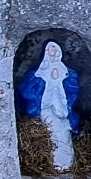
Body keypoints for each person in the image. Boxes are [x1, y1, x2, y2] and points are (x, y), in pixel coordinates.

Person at [18, 42, 81, 171]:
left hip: (61, 108)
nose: (52, 50)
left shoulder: (66, 71)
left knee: (63, 134)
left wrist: (60, 81)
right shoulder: (38, 72)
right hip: (46, 107)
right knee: (49, 132)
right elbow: (29, 90)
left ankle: (66, 163)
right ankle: (51, 163)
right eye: (49, 48)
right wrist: (45, 81)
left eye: (54, 47)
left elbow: (72, 89)